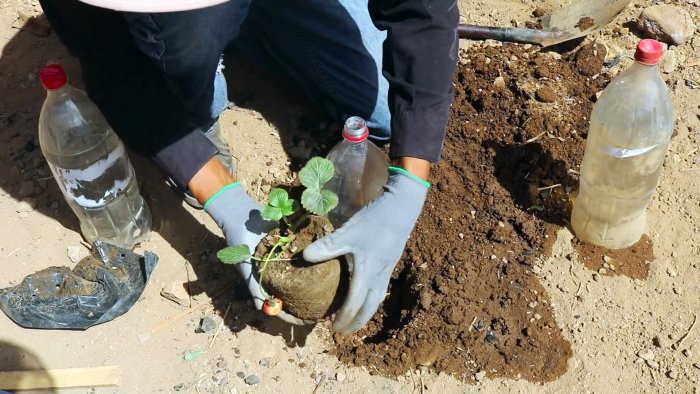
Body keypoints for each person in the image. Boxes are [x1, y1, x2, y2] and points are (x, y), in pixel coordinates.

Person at [38, 0, 459, 335]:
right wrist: (224, 197)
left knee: (385, 114)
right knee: (191, 41)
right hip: (180, 17)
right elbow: (111, 66)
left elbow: (422, 11)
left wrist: (407, 188)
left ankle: (244, 24)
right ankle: (201, 46)